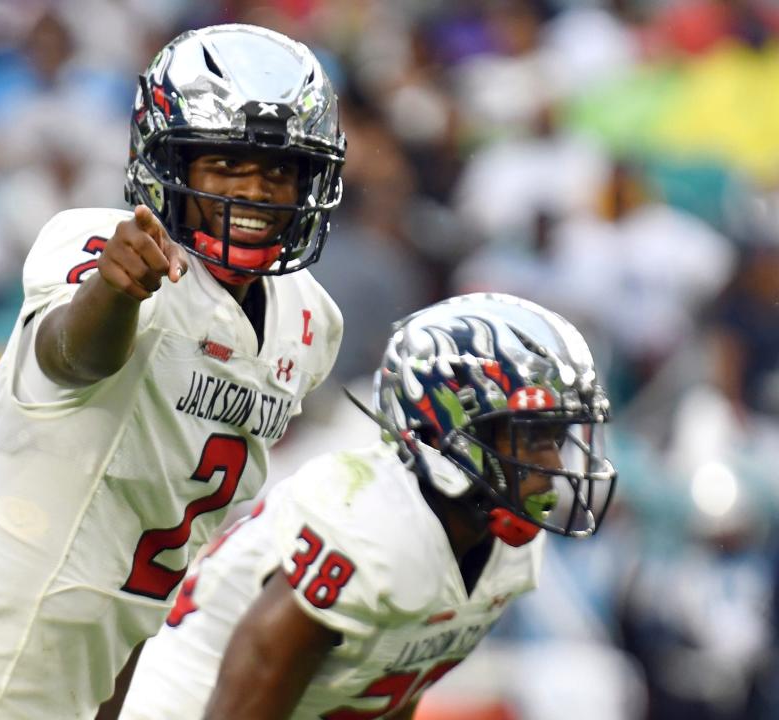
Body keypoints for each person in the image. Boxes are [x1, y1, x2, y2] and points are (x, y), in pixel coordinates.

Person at [0, 23, 345, 720]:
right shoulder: (99, 244)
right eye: (225, 164)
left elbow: (146, 580)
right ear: (171, 162)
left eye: (279, 168)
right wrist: (113, 292)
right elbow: (72, 355)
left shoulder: (310, 323)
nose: (256, 189)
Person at [121, 292, 618, 720]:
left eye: (556, 436)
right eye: (531, 438)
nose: (552, 462)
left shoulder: (506, 551)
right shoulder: (367, 528)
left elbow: (385, 689)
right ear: (448, 431)